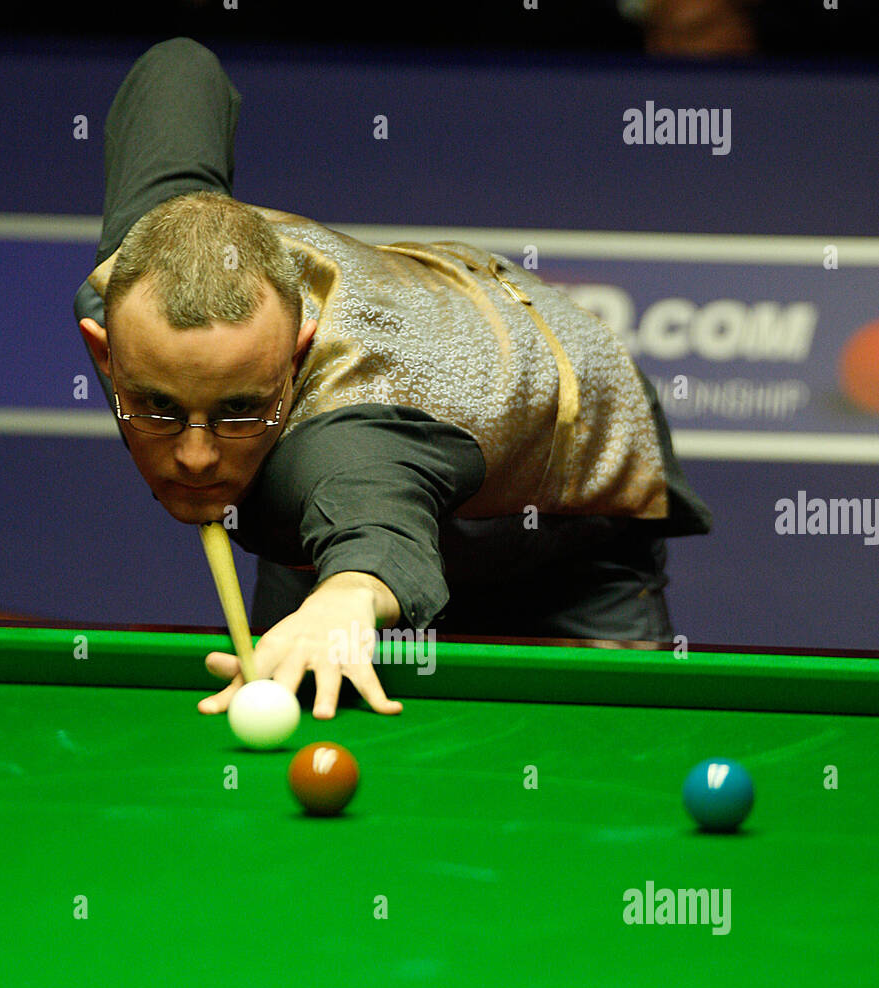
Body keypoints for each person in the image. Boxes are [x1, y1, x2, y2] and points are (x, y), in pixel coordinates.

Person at [75, 38, 711, 721]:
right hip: (387, 393)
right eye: (159, 408)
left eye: (239, 411)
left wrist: (345, 594)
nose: (195, 455)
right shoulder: (134, 276)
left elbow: (375, 535)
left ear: (295, 355)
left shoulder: (344, 445)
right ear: (106, 351)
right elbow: (180, 66)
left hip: (563, 473)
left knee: (612, 745)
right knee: (289, 651)